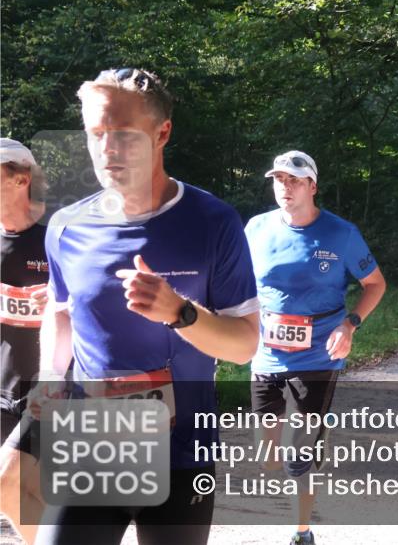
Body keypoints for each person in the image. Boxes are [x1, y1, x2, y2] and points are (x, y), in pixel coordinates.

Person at [33, 68, 260, 545]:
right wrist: (50, 379)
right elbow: (59, 312)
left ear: (163, 133)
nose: (107, 149)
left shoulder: (212, 222)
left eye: (123, 134)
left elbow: (244, 345)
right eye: (96, 134)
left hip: (180, 454)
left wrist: (180, 313)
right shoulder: (66, 227)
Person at [245, 150, 386, 545]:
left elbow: (375, 284)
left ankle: (302, 531)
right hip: (266, 354)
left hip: (318, 356)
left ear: (312, 186)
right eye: (278, 179)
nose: (284, 187)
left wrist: (349, 324)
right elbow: (237, 284)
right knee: (266, 455)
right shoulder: (256, 228)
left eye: (293, 179)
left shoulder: (341, 234)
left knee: (295, 454)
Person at [0, 139, 48, 544]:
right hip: (3, 390)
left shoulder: (60, 239)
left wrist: (63, 302)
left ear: (21, 178)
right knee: (22, 493)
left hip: (52, 388)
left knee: (5, 482)